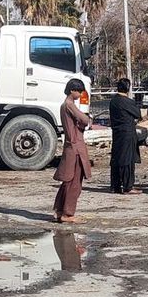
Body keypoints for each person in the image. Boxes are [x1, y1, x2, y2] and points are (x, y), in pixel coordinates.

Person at [53, 79, 92, 223]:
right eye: (79, 91)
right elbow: (84, 119)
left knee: (68, 181)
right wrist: (87, 118)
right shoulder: (69, 105)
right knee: (74, 182)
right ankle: (68, 214)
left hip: (71, 146)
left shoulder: (66, 105)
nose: (80, 94)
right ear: (72, 90)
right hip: (75, 147)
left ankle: (59, 210)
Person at [109, 78, 142, 194]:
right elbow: (138, 114)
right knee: (127, 160)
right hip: (127, 133)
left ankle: (115, 185)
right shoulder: (127, 101)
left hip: (116, 133)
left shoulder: (113, 101)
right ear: (128, 88)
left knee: (116, 158)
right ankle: (128, 186)